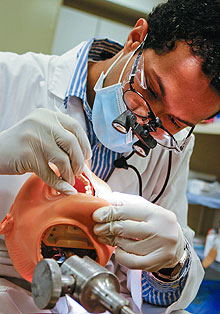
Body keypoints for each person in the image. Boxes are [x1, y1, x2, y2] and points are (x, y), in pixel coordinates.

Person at [0, 0, 220, 313]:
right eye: (152, 91)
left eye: (174, 123)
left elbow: (159, 297)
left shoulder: (174, 149)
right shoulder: (8, 77)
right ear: (136, 37)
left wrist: (171, 267)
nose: (145, 121)